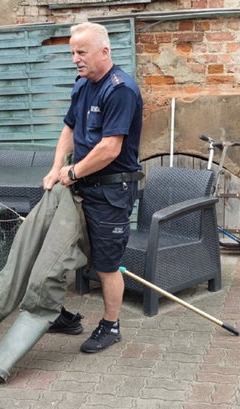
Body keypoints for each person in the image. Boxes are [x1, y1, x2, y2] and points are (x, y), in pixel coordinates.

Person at [42, 21, 144, 353]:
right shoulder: (82, 85)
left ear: (104, 51)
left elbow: (109, 148)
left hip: (112, 191)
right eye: (72, 52)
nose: (75, 58)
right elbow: (69, 129)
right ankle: (61, 315)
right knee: (56, 248)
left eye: (81, 51)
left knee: (106, 264)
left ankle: (110, 326)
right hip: (81, 186)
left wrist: (71, 172)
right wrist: (56, 167)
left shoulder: (121, 90)